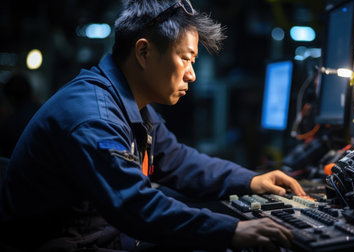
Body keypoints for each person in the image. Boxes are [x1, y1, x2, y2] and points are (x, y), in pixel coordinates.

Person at [0, 0, 306, 251]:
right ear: (144, 52)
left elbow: (177, 160)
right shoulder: (94, 116)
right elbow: (136, 207)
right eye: (186, 58)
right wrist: (232, 230)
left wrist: (252, 181)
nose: (192, 74)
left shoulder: (129, 103)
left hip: (100, 235)